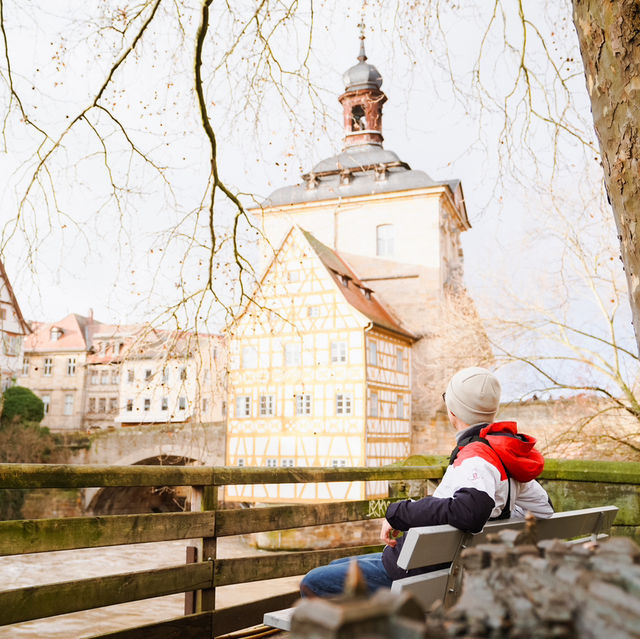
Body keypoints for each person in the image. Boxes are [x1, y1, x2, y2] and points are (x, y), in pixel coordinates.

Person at [300, 366, 554, 597]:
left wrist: (398, 511)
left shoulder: (477, 458)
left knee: (313, 582)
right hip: (451, 568)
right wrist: (498, 518)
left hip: (424, 574)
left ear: (452, 411)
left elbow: (471, 510)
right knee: (334, 567)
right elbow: (544, 508)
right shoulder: (505, 458)